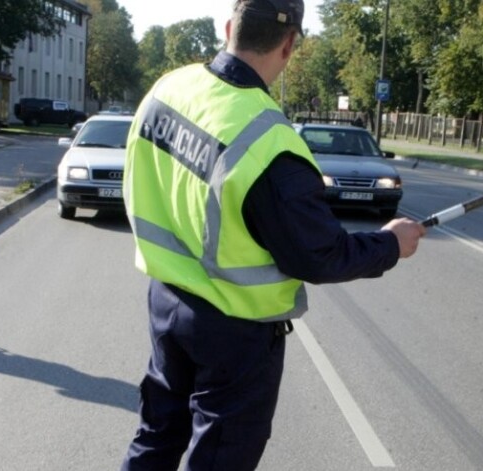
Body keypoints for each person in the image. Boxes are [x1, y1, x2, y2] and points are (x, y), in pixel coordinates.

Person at [120, 0, 426, 469]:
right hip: (233, 330)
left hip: (165, 302)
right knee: (219, 456)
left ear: (229, 28)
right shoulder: (269, 142)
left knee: (157, 436)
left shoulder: (168, 88)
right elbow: (319, 255)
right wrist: (390, 244)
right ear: (289, 45)